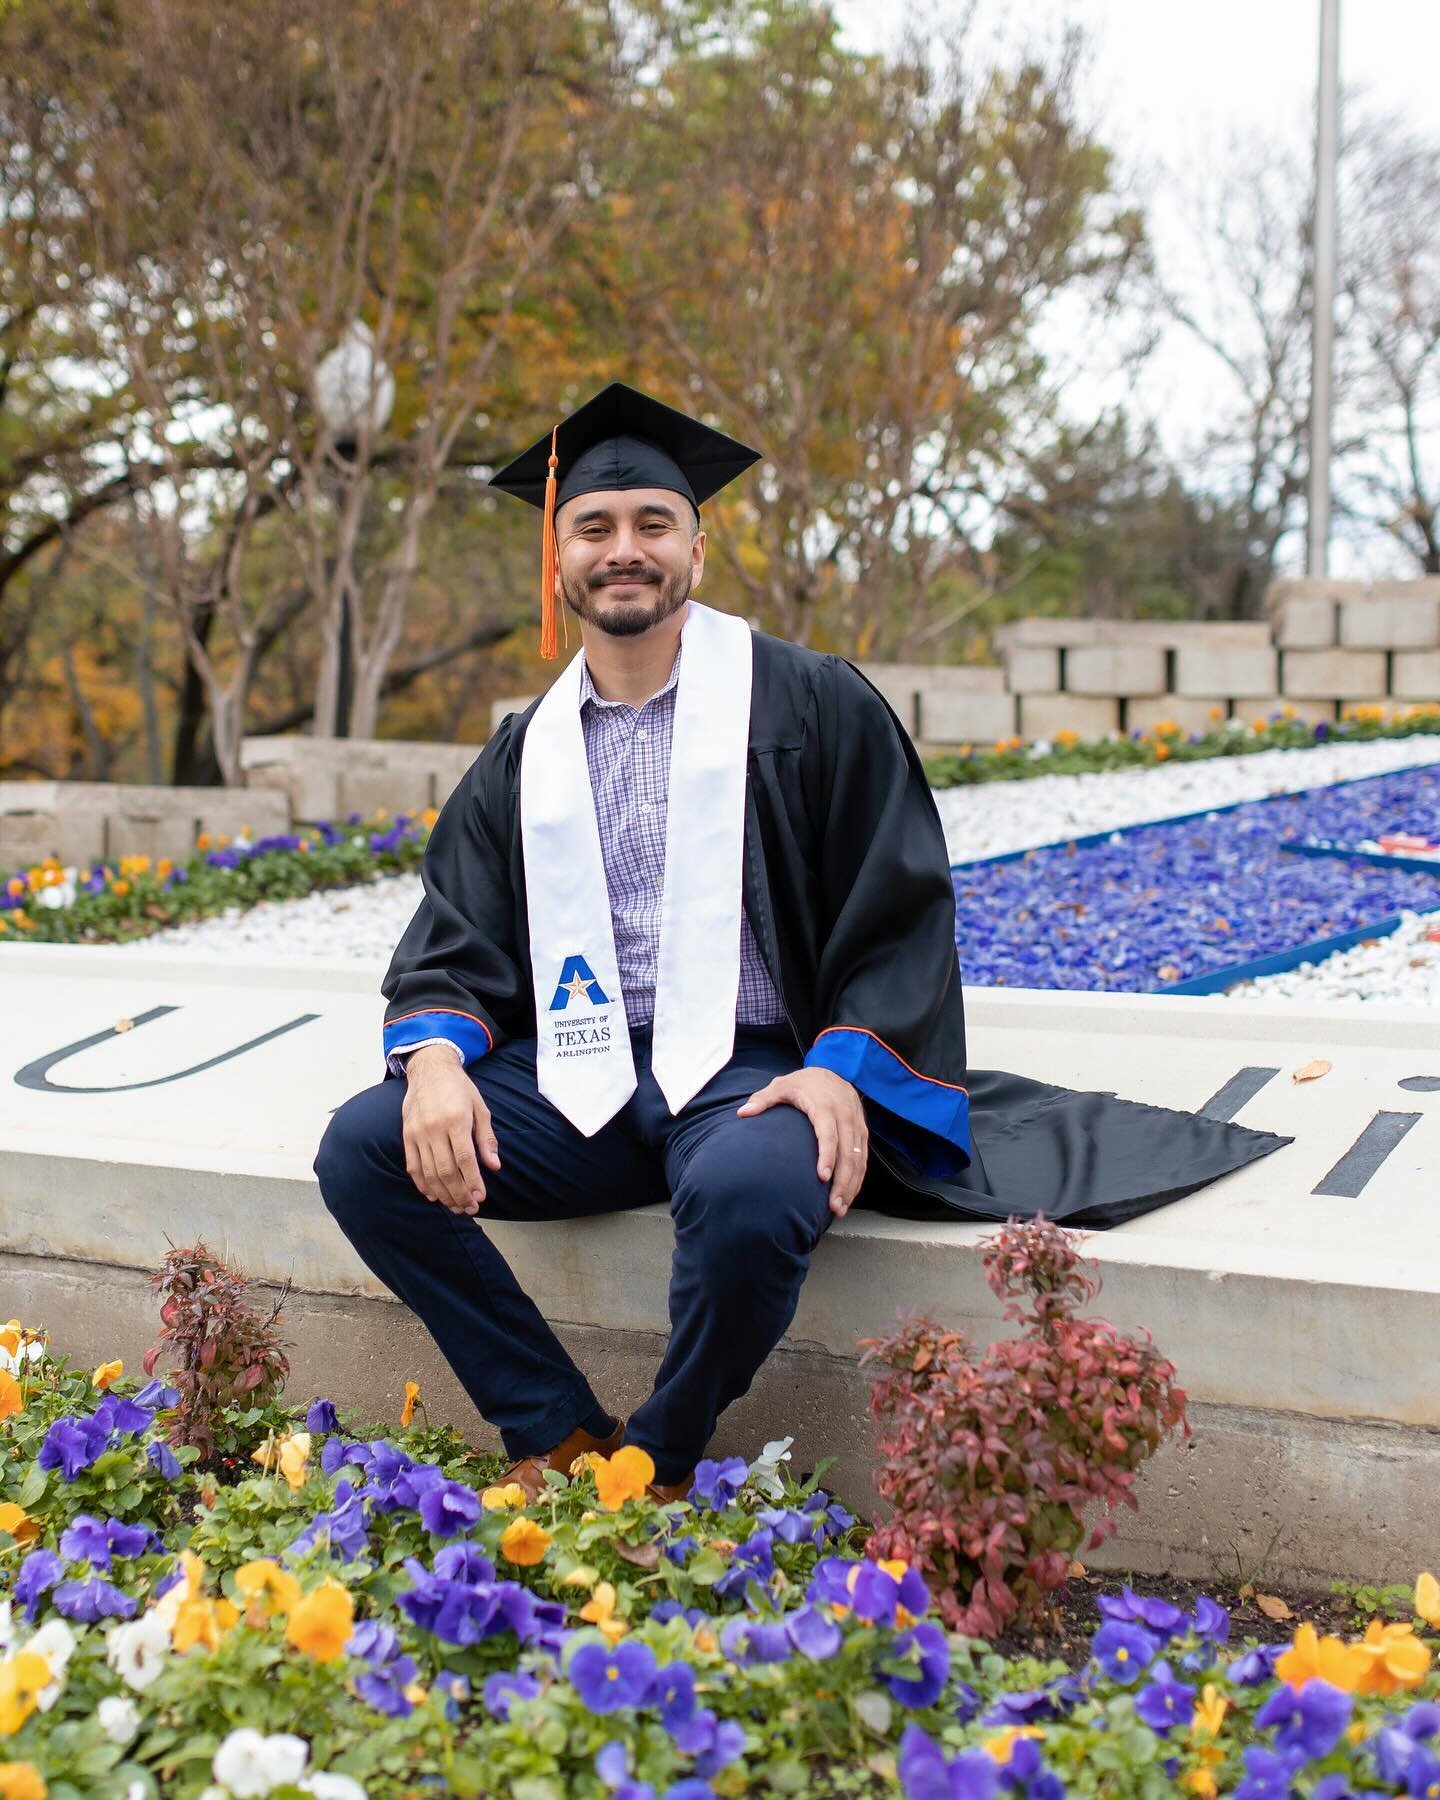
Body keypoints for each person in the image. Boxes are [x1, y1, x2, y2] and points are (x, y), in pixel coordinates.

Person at [314, 382, 1287, 1503]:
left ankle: (657, 1460)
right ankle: (553, 1424)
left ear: (695, 544)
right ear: (560, 556)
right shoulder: (523, 754)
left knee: (755, 1192)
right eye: (594, 527)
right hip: (579, 1076)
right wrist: (435, 1060)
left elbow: (900, 907)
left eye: (650, 524)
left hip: (749, 1071)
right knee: (363, 1148)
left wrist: (841, 1068)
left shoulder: (810, 705)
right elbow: (454, 933)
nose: (622, 550)